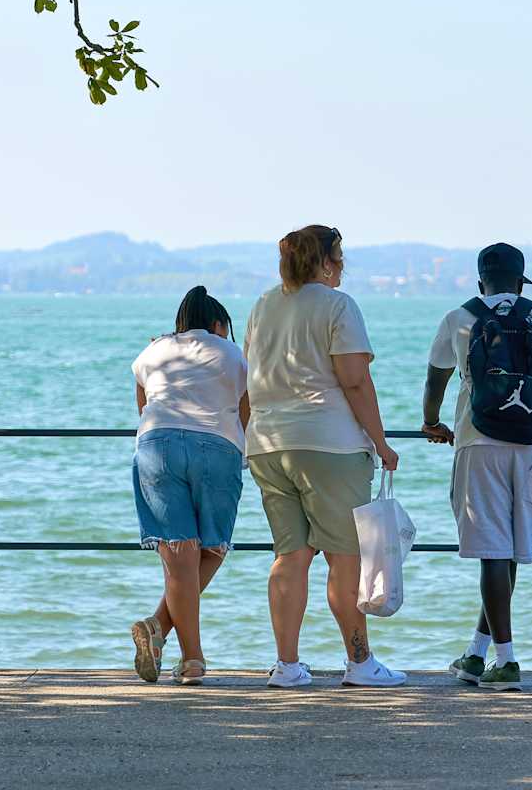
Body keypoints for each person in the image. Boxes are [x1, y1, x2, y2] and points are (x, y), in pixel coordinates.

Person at [244, 225, 405, 688]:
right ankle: (360, 664)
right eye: (340, 256)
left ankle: (288, 667)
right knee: (343, 557)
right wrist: (381, 442)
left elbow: (251, 373)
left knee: (290, 555)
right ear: (327, 261)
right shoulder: (338, 306)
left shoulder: (263, 305)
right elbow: (354, 380)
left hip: (269, 444)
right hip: (329, 445)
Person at [420, 243, 532, 691]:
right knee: (508, 551)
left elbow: (437, 377)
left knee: (493, 552)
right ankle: (476, 654)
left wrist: (431, 421)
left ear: (480, 283)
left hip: (479, 445)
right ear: (520, 281)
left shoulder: (459, 317)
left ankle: (505, 661)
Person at [130, 286, 250, 686]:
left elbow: (143, 404)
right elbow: (245, 408)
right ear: (218, 325)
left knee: (179, 555)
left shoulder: (154, 350)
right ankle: (179, 647)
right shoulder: (230, 352)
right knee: (212, 548)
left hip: (157, 445)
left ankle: (174, 642)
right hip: (216, 446)